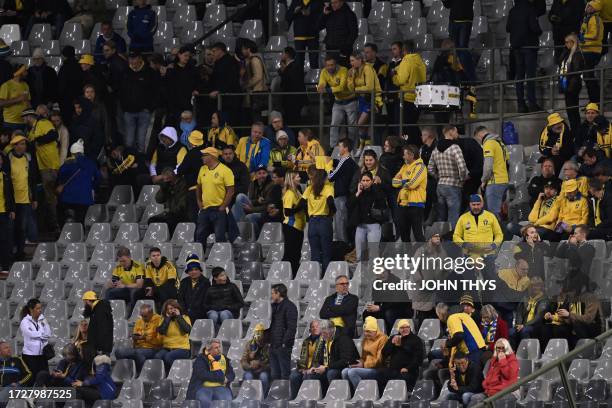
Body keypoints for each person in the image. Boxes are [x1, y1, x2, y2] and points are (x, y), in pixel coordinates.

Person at [22, 107, 60, 231]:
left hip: (50, 165)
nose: (23, 120)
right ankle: (53, 224)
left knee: (52, 196)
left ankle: (57, 224)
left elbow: (54, 135)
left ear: (29, 117)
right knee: (49, 197)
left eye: (24, 118)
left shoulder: (43, 123)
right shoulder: (32, 130)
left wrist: (38, 140)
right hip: (43, 166)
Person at [428, 126, 469, 229]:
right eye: (456, 131)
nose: (457, 133)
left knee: (441, 216)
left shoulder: (436, 149)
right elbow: (462, 167)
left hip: (440, 185)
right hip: (453, 185)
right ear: (450, 132)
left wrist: (439, 177)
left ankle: (439, 240)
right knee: (453, 216)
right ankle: (451, 241)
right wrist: (462, 179)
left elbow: (430, 168)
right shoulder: (455, 147)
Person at [506, 0, 543, 112]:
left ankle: (521, 105)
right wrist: (539, 31)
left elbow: (508, 28)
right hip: (529, 46)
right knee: (530, 76)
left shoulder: (512, 11)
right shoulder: (530, 9)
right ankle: (532, 103)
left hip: (517, 47)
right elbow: (534, 27)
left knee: (520, 77)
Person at [120, 50, 158, 153]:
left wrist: (150, 107)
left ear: (140, 58)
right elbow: (120, 91)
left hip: (144, 112)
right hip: (128, 111)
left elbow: (155, 91)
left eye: (134, 58)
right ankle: (130, 163)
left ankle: (141, 164)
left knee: (142, 141)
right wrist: (124, 107)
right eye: (130, 58)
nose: (132, 60)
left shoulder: (150, 72)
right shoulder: (125, 72)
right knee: (129, 141)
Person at [8, 135, 37, 261]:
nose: (22, 146)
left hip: (25, 200)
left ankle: (20, 253)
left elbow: (32, 180)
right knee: (11, 228)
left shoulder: (28, 158)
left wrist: (34, 198)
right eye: (20, 144)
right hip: (11, 201)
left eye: (24, 144)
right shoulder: (8, 158)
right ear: (14, 146)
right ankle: (10, 252)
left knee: (22, 228)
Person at [57, 139, 101, 225]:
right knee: (81, 222)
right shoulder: (91, 163)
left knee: (62, 215)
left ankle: (63, 231)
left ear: (72, 152)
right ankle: (80, 236)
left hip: (67, 199)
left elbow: (60, 177)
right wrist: (91, 187)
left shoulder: (67, 163)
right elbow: (98, 178)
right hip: (84, 199)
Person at [347, 52, 383, 156]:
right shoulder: (354, 71)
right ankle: (363, 147)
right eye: (350, 61)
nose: (351, 63)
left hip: (372, 99)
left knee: (360, 124)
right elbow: (350, 89)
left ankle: (363, 146)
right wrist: (350, 78)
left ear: (360, 60)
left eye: (353, 60)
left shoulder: (367, 68)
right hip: (362, 100)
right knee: (363, 126)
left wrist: (356, 89)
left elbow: (369, 87)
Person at [317, 55, 357, 147]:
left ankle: (352, 148)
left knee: (352, 127)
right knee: (334, 125)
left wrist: (327, 90)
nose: (330, 67)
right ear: (325, 66)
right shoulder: (324, 72)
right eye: (328, 65)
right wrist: (321, 87)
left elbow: (341, 87)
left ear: (336, 65)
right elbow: (321, 84)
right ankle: (333, 147)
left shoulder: (343, 70)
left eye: (332, 65)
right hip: (338, 102)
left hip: (350, 100)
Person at [391, 41, 427, 146]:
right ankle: (419, 145)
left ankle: (406, 146)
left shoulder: (406, 60)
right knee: (412, 124)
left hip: (405, 98)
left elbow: (401, 79)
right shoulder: (420, 60)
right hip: (418, 98)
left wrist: (394, 76)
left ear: (404, 50)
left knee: (402, 126)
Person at [196, 147, 235, 243]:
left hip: (218, 209)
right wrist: (199, 202)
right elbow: (198, 187)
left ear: (212, 156)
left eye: (204, 155)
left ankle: (221, 257)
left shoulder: (225, 171)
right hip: (205, 209)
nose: (202, 158)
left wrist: (223, 206)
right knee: (199, 235)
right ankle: (200, 256)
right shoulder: (202, 169)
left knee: (219, 235)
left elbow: (231, 191)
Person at [348, 171, 388, 262]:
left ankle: (373, 275)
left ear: (372, 181)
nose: (365, 182)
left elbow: (382, 203)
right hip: (360, 226)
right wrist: (358, 193)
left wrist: (374, 187)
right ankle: (361, 274)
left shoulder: (376, 190)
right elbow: (349, 205)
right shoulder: (358, 191)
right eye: (363, 180)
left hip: (373, 225)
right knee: (359, 256)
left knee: (373, 255)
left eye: (367, 180)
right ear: (360, 181)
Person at [468, 339, 519, 406]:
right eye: (498, 348)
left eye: (503, 348)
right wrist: (486, 385)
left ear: (507, 348)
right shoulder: (494, 360)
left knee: (498, 400)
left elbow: (508, 376)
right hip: (492, 391)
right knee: (475, 398)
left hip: (507, 391)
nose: (500, 350)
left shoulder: (513, 360)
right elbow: (489, 376)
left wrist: (503, 361)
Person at [378, 319, 425, 393]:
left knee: (402, 377)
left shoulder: (416, 340)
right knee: (380, 373)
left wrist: (407, 368)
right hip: (393, 370)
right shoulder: (394, 337)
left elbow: (418, 359)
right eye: (402, 328)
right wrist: (391, 344)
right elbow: (384, 353)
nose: (405, 329)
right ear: (398, 329)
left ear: (410, 328)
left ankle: (400, 395)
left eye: (407, 327)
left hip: (409, 371)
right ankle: (382, 395)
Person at [302, 168, 336, 272]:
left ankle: (314, 278)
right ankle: (325, 277)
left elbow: (301, 203)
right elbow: (331, 203)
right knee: (326, 252)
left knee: (315, 253)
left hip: (312, 223)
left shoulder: (310, 189)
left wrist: (308, 216)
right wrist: (332, 213)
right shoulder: (328, 187)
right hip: (324, 222)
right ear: (325, 178)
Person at [392, 145, 427, 242]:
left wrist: (403, 182)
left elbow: (412, 184)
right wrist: (405, 181)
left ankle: (422, 256)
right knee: (404, 236)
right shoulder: (404, 167)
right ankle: (408, 256)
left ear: (411, 155)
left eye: (405, 155)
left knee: (418, 235)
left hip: (416, 205)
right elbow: (393, 182)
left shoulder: (421, 167)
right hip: (402, 205)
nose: (403, 157)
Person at [114, 303, 163, 372]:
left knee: (138, 354)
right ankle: (125, 373)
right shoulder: (139, 321)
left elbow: (160, 341)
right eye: (142, 316)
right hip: (138, 347)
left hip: (152, 349)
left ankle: (140, 373)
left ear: (151, 313)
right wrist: (135, 337)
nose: (143, 318)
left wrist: (145, 338)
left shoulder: (159, 321)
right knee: (118, 351)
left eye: (145, 316)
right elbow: (135, 335)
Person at [186, 339, 235, 408]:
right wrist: (220, 378)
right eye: (216, 348)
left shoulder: (225, 359)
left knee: (227, 400)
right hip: (203, 387)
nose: (219, 349)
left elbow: (232, 374)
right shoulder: (200, 359)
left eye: (219, 347)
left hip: (221, 387)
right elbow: (202, 374)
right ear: (209, 350)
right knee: (204, 401)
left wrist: (227, 379)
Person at [474, 127, 509, 220]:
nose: (480, 142)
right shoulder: (501, 144)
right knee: (500, 213)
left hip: (495, 182)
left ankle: (498, 234)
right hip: (504, 181)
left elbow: (488, 166)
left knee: (493, 214)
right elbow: (507, 162)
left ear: (480, 135)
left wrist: (483, 180)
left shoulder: (488, 143)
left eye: (478, 139)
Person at [342, 316, 387, 389]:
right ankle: (352, 393)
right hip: (366, 367)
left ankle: (363, 392)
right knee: (344, 371)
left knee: (352, 372)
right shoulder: (365, 340)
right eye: (365, 331)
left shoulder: (383, 339)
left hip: (378, 369)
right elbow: (363, 357)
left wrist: (363, 365)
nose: (366, 334)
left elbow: (380, 360)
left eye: (369, 331)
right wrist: (359, 363)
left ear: (375, 330)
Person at [329, 138, 359, 243]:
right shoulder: (350, 162)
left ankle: (343, 246)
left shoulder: (345, 160)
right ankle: (345, 245)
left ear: (345, 148)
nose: (339, 149)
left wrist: (328, 168)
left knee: (340, 222)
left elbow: (331, 176)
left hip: (341, 195)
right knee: (342, 221)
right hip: (345, 195)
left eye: (340, 146)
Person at [268, 283, 298, 380]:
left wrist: (284, 343)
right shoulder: (274, 306)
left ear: (279, 293)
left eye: (273, 293)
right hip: (273, 345)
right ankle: (277, 394)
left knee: (285, 374)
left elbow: (291, 328)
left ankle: (285, 395)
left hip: (283, 346)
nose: (271, 295)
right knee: (274, 375)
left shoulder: (290, 307)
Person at [19, 298, 52, 385]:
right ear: (31, 309)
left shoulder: (42, 319)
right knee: (32, 379)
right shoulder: (25, 322)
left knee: (45, 376)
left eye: (40, 308)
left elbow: (48, 333)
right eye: (37, 308)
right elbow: (30, 334)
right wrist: (42, 334)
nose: (40, 310)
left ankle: (46, 396)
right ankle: (30, 397)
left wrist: (40, 331)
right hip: (30, 356)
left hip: (42, 355)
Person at [163, 47, 199, 127]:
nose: (187, 58)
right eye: (185, 55)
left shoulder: (192, 70)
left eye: (188, 56)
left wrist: (196, 89)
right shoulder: (171, 70)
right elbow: (167, 88)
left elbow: (196, 83)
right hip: (173, 105)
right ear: (179, 55)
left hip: (187, 104)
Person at [290, 320, 325, 398]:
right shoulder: (306, 341)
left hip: (317, 368)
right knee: (294, 376)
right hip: (306, 368)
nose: (315, 328)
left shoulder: (324, 341)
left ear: (321, 328)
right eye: (313, 327)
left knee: (308, 376)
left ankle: (308, 399)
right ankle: (295, 399)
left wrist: (312, 369)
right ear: (310, 330)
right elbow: (302, 357)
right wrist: (303, 369)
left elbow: (323, 359)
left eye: (317, 326)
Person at [317, 0, 358, 66]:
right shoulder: (329, 14)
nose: (333, 4)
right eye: (332, 2)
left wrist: (346, 46)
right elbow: (319, 26)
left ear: (341, 2)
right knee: (331, 71)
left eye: (335, 2)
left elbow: (354, 32)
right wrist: (324, 15)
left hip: (343, 49)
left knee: (343, 70)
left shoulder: (349, 14)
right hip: (330, 48)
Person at [209, 42, 242, 125]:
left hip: (230, 99)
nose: (212, 54)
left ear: (220, 50)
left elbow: (232, 80)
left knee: (229, 122)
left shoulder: (230, 62)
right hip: (223, 99)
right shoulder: (218, 62)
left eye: (214, 51)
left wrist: (219, 90)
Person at [558, 34, 586, 132]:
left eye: (567, 42)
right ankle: (574, 130)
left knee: (573, 110)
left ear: (573, 43)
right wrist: (565, 50)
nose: (565, 44)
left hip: (573, 85)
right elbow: (559, 61)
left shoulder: (577, 54)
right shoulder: (567, 53)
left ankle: (576, 131)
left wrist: (568, 77)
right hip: (567, 84)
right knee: (570, 111)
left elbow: (577, 69)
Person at [319, 319, 360, 384]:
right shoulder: (326, 338)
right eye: (321, 333)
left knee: (331, 373)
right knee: (310, 374)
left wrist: (327, 367)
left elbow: (346, 360)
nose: (322, 336)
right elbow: (320, 358)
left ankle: (335, 393)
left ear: (331, 330)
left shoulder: (344, 338)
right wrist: (316, 367)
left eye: (324, 333)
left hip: (343, 367)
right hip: (330, 366)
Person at [148, 168, 188, 234]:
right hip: (169, 213)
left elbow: (182, 205)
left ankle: (170, 239)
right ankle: (159, 240)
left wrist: (170, 211)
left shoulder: (182, 184)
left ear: (172, 177)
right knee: (152, 220)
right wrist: (163, 189)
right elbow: (158, 200)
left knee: (170, 221)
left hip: (180, 214)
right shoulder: (167, 186)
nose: (166, 181)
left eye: (168, 180)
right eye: (164, 180)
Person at [155, 299, 192, 372]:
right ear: (166, 310)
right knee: (157, 357)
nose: (172, 310)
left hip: (183, 348)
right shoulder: (163, 319)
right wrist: (167, 319)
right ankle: (165, 375)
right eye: (170, 309)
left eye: (174, 308)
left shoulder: (185, 317)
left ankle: (179, 372)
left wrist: (179, 317)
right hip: (167, 348)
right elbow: (161, 331)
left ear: (178, 308)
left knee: (168, 357)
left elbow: (187, 330)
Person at [511, 276, 548, 347]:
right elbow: (519, 313)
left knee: (524, 331)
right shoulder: (525, 298)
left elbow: (538, 317)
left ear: (541, 287)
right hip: (523, 325)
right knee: (511, 332)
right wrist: (518, 324)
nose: (535, 288)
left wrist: (524, 325)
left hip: (536, 326)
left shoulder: (544, 300)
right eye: (533, 285)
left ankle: (528, 353)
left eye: (538, 285)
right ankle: (513, 353)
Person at [286, 0, 323, 70]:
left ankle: (314, 80)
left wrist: (311, 14)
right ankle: (299, 80)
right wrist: (295, 12)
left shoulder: (317, 2)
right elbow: (287, 16)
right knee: (299, 64)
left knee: (314, 63)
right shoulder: (296, 1)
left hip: (313, 36)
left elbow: (323, 16)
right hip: (299, 36)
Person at [281, 171, 306, 275]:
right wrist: (300, 206)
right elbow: (287, 212)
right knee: (290, 254)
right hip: (291, 227)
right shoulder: (290, 193)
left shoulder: (297, 191)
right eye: (297, 177)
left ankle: (293, 275)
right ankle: (284, 274)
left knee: (296, 254)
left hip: (298, 227)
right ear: (292, 179)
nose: (299, 178)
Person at [580, 0, 604, 103]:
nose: (588, 8)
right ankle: (593, 102)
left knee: (588, 77)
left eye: (590, 6)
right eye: (587, 6)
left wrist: (582, 38)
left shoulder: (596, 19)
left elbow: (595, 35)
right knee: (587, 77)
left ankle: (595, 101)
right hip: (586, 50)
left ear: (595, 8)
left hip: (592, 51)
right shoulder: (587, 19)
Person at [278, 48, 308, 128]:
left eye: (283, 53)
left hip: (294, 100)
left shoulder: (294, 67)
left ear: (287, 55)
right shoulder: (290, 67)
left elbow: (291, 82)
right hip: (289, 100)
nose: (281, 55)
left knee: (294, 122)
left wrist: (284, 71)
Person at [81, 291, 113, 362]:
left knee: (102, 370)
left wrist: (100, 349)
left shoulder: (100, 310)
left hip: (101, 349)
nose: (84, 305)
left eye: (85, 302)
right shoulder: (97, 309)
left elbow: (104, 330)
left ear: (88, 301)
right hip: (98, 348)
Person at [241, 40, 269, 122]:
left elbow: (258, 76)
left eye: (243, 49)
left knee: (256, 118)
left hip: (258, 94)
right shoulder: (252, 60)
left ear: (248, 49)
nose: (242, 51)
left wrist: (246, 85)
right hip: (256, 93)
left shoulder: (254, 60)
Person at [178, 254, 211, 322]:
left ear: (200, 270)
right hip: (185, 313)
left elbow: (206, 301)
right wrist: (184, 312)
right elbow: (180, 299)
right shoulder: (184, 282)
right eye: (191, 270)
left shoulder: (206, 282)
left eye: (196, 269)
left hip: (200, 314)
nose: (194, 272)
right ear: (188, 272)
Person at [241, 323, 270, 393]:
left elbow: (271, 364)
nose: (258, 335)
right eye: (257, 333)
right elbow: (243, 361)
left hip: (263, 370)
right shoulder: (249, 344)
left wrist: (259, 363)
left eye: (260, 333)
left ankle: (263, 396)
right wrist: (250, 366)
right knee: (248, 377)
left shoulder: (268, 346)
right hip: (250, 370)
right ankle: (248, 396)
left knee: (264, 377)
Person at [0, 65, 30, 131]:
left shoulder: (25, 85)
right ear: (19, 72)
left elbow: (28, 102)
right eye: (25, 71)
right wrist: (18, 99)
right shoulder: (6, 85)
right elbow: (1, 103)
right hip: (10, 123)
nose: (27, 73)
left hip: (24, 122)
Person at [0, 152, 14, 273]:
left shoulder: (6, 176)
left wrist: (12, 210)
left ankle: (5, 266)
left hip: (4, 212)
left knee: (5, 240)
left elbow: (10, 194)